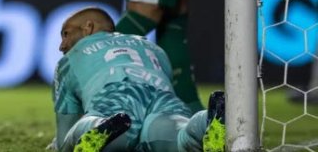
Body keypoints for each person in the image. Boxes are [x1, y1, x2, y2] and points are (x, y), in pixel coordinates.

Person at [50, 8, 225, 152]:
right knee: (180, 138)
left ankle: (100, 125)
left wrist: (61, 143)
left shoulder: (69, 59)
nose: (61, 46)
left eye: (66, 34)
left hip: (116, 95)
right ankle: (205, 121)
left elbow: (64, 130)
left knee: (72, 139)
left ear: (88, 28)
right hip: (162, 97)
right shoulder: (153, 48)